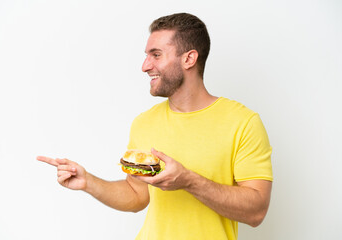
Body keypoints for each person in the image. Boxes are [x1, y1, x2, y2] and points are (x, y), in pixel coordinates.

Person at [37, 13, 273, 240]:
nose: (145, 66)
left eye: (156, 55)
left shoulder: (243, 122)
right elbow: (136, 195)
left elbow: (256, 212)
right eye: (147, 55)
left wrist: (189, 181)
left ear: (189, 59)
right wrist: (88, 182)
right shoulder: (144, 123)